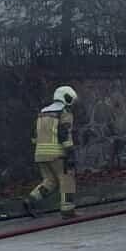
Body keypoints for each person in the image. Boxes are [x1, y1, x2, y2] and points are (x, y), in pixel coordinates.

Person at [23, 86, 78, 220]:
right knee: (67, 180)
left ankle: (30, 200)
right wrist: (70, 152)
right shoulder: (64, 113)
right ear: (66, 97)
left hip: (40, 153)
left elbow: (34, 136)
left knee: (50, 181)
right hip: (57, 154)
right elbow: (64, 133)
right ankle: (68, 211)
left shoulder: (42, 113)